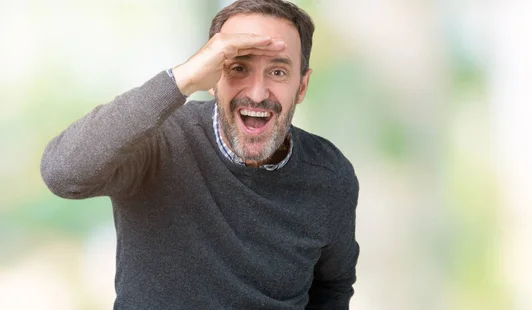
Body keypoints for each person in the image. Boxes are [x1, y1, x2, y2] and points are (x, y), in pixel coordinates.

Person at [40, 0, 359, 309]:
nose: (258, 93)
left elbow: (332, 287)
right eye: (238, 68)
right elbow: (63, 174)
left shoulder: (330, 175)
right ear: (212, 77)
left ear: (302, 86)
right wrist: (183, 79)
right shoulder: (158, 142)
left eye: (277, 72)